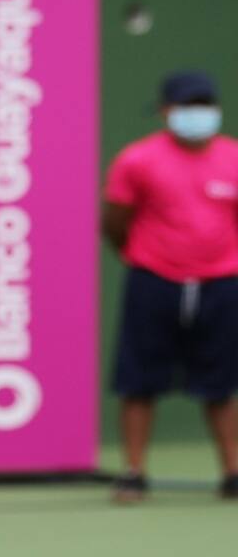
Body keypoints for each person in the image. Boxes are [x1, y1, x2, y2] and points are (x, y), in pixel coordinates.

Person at [103, 70, 238, 502]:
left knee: (221, 384)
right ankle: (134, 472)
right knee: (139, 381)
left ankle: (232, 472)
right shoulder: (137, 160)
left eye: (204, 104)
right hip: (154, 280)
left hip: (221, 284)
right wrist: (148, 259)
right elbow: (115, 222)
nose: (197, 113)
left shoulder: (233, 158)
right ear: (165, 111)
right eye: (187, 105)